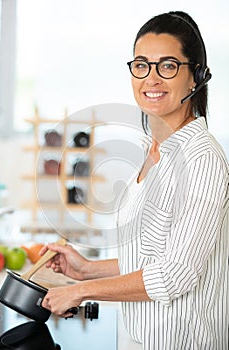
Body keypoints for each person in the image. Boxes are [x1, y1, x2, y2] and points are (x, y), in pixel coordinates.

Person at [40, 11, 229, 350]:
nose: (151, 78)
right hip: (135, 338)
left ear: (196, 77)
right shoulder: (151, 151)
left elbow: (174, 274)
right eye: (142, 65)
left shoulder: (202, 161)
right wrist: (86, 270)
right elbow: (151, 258)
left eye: (168, 66)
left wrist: (79, 291)